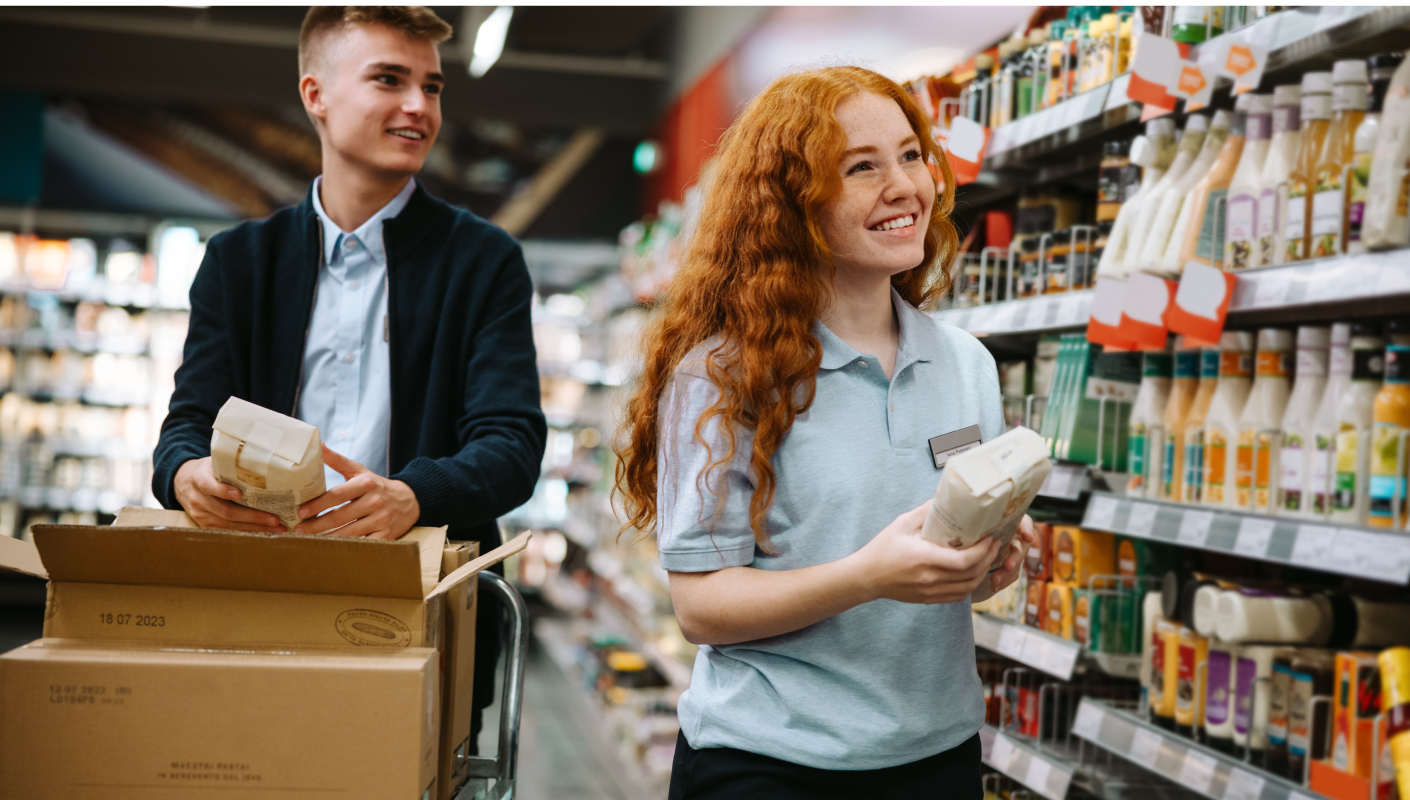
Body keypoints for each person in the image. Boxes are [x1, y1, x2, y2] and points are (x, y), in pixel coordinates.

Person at [615, 66, 1034, 799]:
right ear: (791, 205)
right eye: (861, 168)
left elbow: (950, 559)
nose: (903, 186)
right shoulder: (722, 378)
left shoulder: (965, 363)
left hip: (936, 753)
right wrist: (868, 576)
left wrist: (987, 566)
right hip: (771, 763)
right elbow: (701, 607)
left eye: (911, 155)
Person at [151, 6, 545, 753]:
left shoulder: (484, 262)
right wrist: (184, 475)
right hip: (255, 612)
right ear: (316, 95)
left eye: (430, 87)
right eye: (389, 80)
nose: (419, 107)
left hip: (423, 620)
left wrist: (414, 495)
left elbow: (513, 444)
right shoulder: (240, 263)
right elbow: (182, 432)